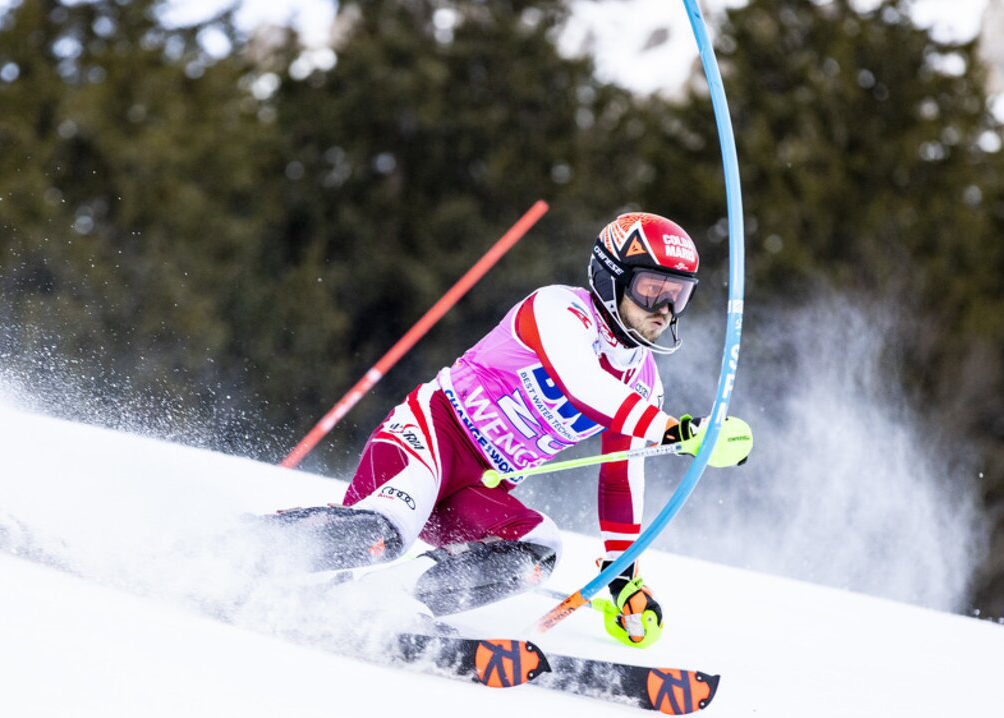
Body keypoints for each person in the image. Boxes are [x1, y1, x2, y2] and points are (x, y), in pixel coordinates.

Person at [273, 212, 744, 647]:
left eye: (677, 295)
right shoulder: (556, 310)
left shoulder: (642, 382)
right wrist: (674, 431)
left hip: (479, 488)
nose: (663, 309)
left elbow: (620, 482)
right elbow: (581, 384)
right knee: (386, 533)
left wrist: (623, 576)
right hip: (429, 440)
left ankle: (394, 599)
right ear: (609, 279)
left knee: (539, 549)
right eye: (651, 290)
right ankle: (253, 548)